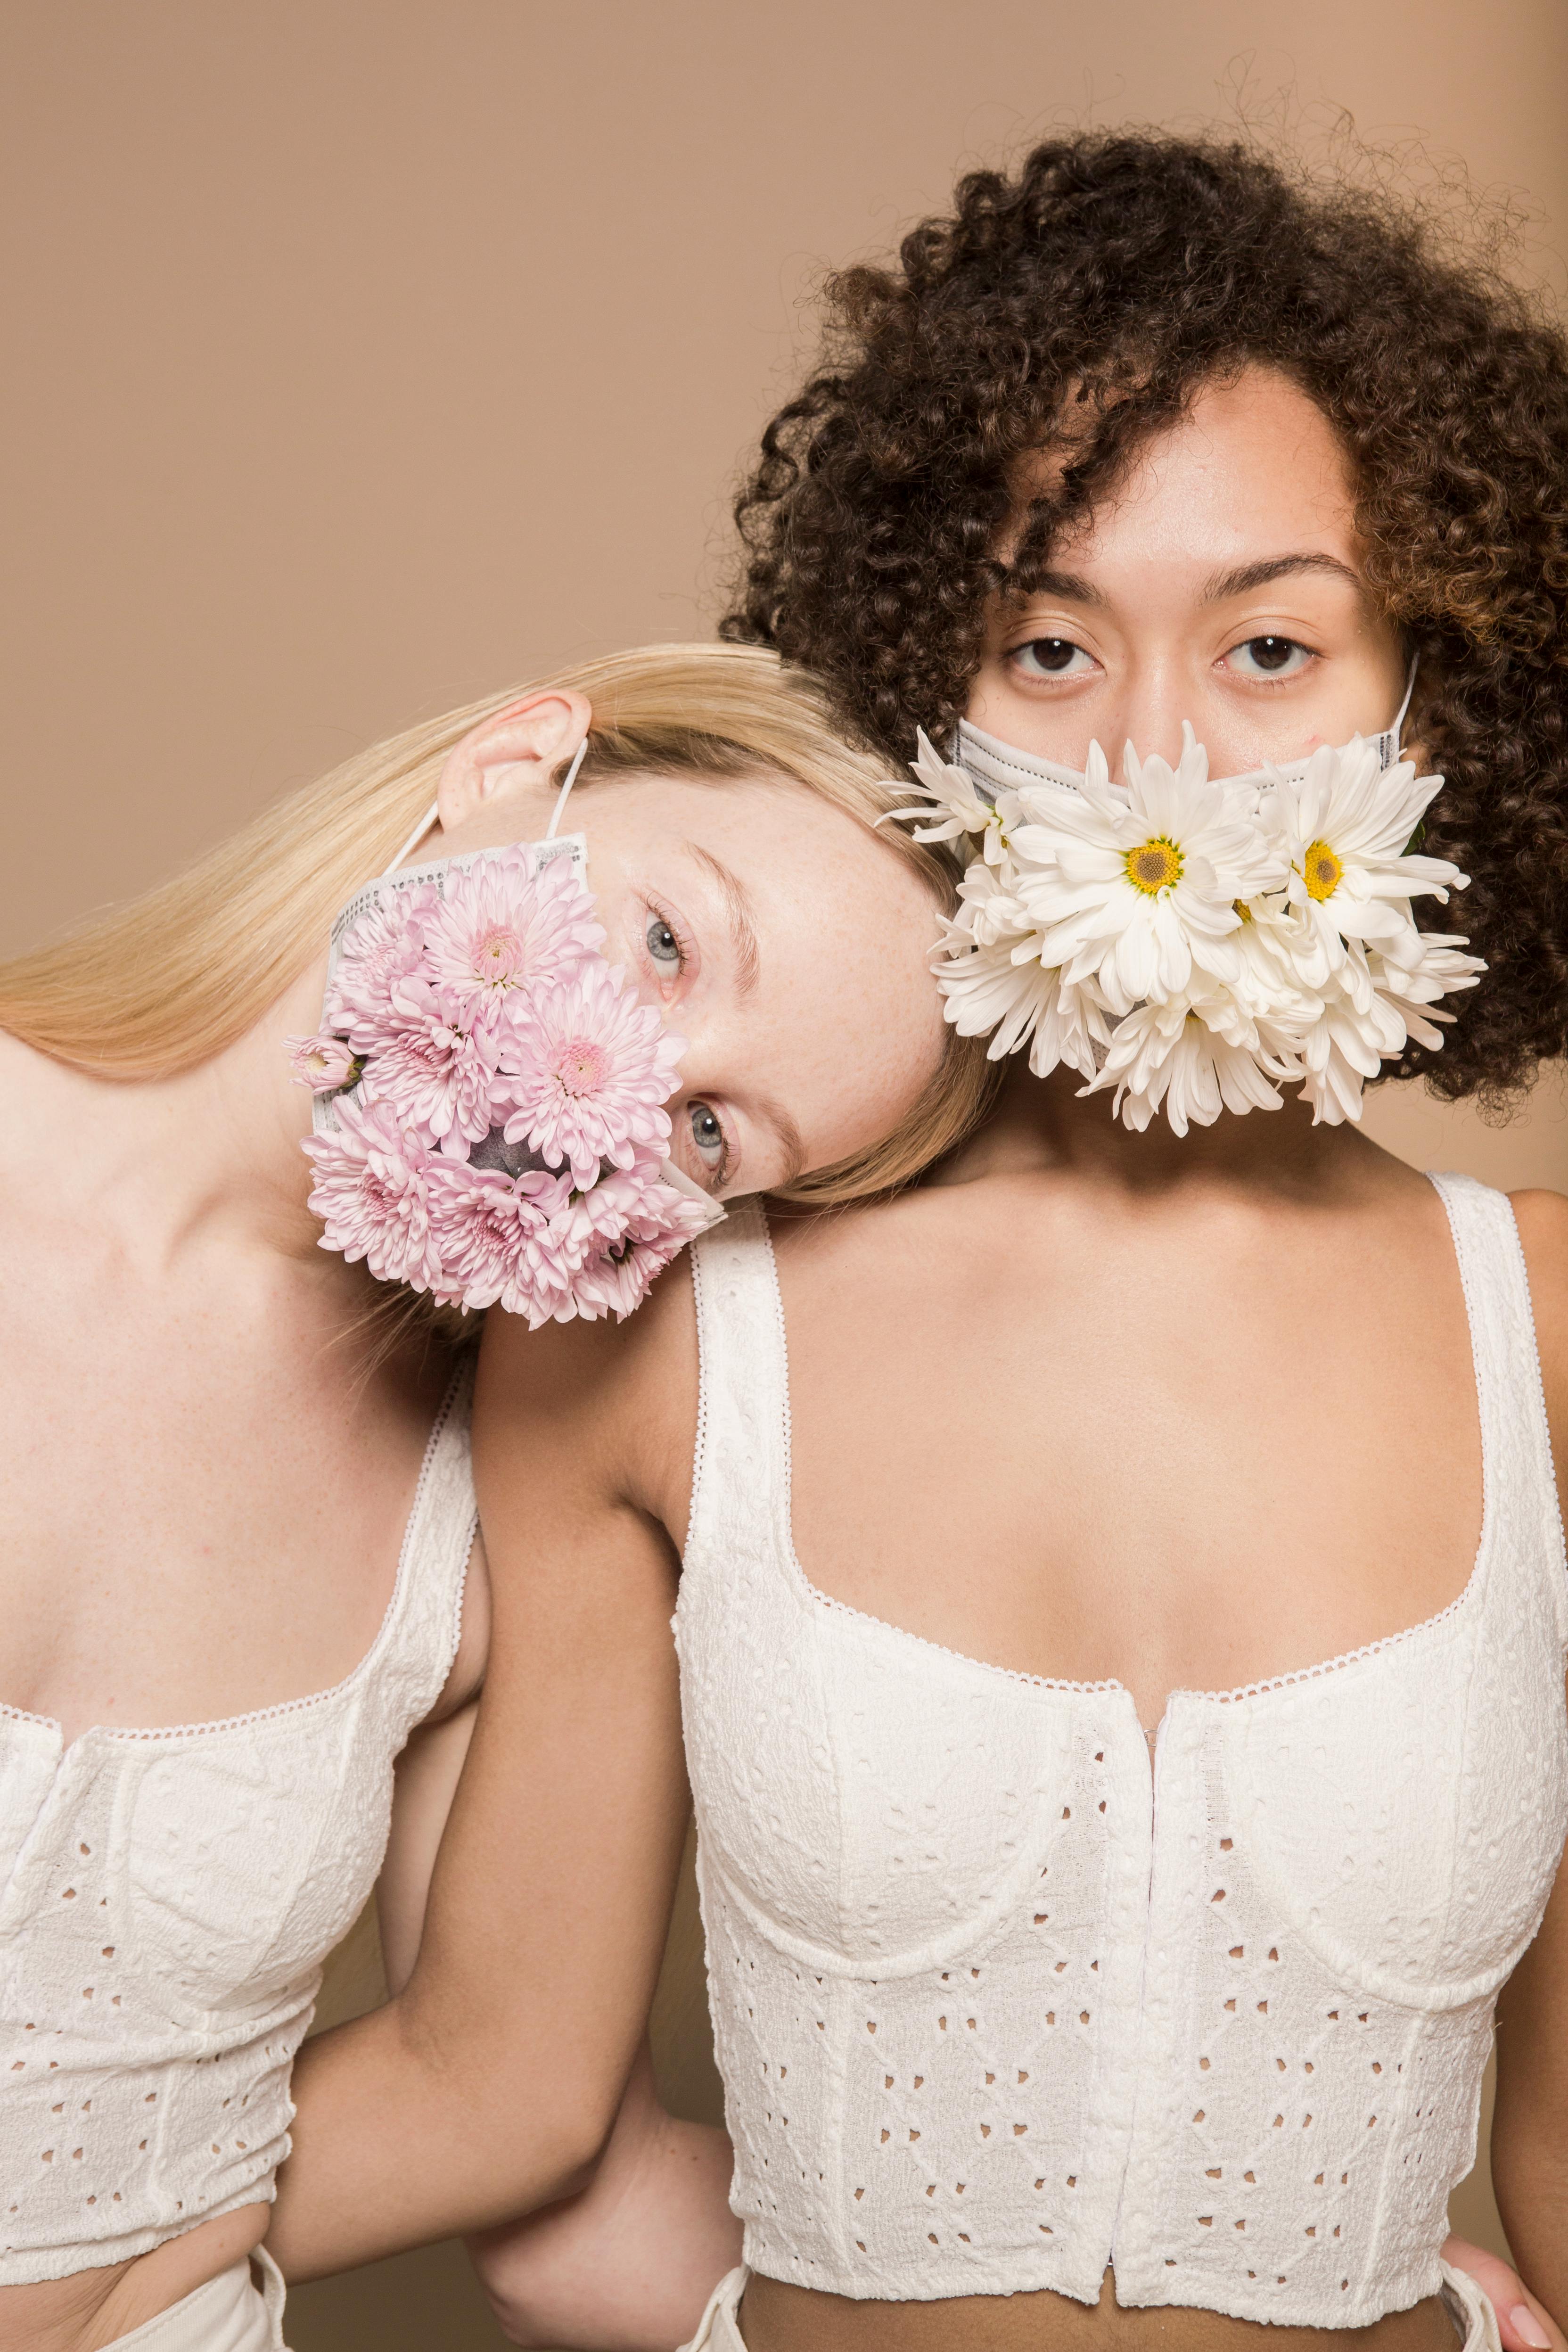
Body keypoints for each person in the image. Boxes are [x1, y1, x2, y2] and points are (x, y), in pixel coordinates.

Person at [276, 136, 1568, 2352]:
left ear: (1441, 703)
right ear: (915, 699)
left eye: (1273, 643)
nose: (1158, 755)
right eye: (1046, 644)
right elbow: (498, 2097)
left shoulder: (1545, 1320)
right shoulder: (664, 1326)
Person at [0, 639, 993, 2352]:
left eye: (710, 1136)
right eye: (669, 939)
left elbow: (510, 2102)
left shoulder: (505, 1494)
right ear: (518, 761)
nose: (622, 1089)